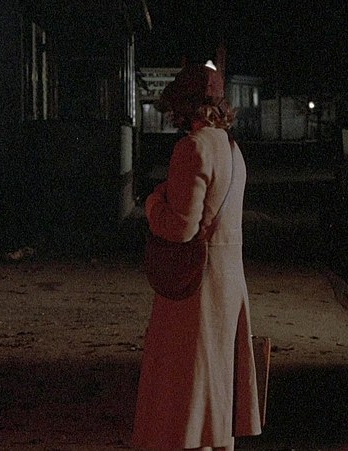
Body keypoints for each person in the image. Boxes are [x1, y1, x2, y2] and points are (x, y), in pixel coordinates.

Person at [132, 60, 262, 450]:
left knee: (185, 392)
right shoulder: (233, 150)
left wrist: (153, 204)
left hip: (196, 288)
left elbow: (180, 228)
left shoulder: (192, 148)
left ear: (185, 106)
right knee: (215, 388)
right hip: (228, 285)